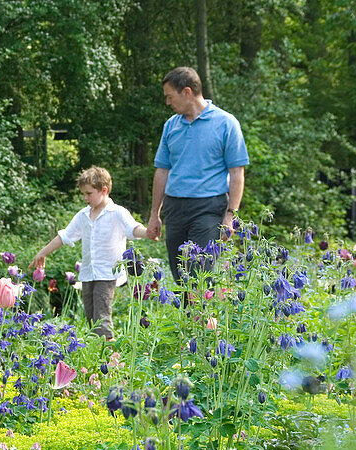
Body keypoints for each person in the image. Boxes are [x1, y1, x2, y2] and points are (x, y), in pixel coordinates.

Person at [146, 66, 249, 283]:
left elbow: (237, 171)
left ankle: (201, 317)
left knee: (198, 273)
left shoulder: (226, 123)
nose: (167, 102)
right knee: (181, 277)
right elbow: (162, 171)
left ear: (187, 92)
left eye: (169, 96)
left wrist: (231, 215)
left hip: (208, 208)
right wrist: (155, 213)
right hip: (175, 208)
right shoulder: (170, 126)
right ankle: (193, 317)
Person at [31, 166, 151, 339]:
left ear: (104, 190)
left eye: (89, 193)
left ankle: (111, 359)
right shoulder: (83, 215)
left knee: (102, 319)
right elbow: (65, 235)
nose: (85, 198)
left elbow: (134, 229)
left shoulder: (117, 212)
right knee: (91, 320)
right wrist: (43, 252)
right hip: (88, 274)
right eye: (83, 194)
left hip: (107, 273)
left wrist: (148, 232)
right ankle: (98, 356)